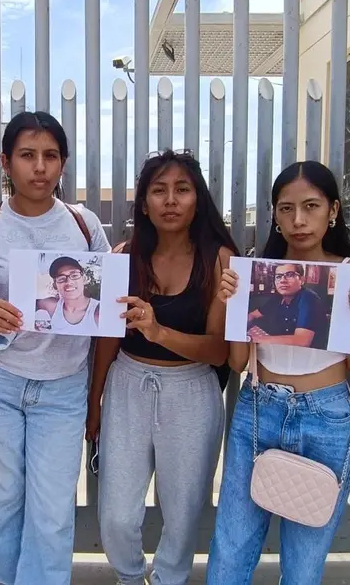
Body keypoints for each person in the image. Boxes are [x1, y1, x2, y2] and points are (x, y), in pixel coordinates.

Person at [0, 110, 111, 585]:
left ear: (63, 164)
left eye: (50, 156)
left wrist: (93, 398)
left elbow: (103, 318)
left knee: (52, 509)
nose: (39, 167)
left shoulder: (85, 227)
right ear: (6, 162)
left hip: (64, 387)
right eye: (27, 155)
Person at [206, 161, 350, 584]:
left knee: (304, 562)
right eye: (286, 209)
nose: (298, 220)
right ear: (275, 215)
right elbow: (237, 362)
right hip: (258, 410)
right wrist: (231, 305)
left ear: (333, 210)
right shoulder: (257, 272)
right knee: (231, 546)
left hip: (326, 415)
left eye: (311, 206)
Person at [87, 149, 237, 585]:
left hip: (192, 391)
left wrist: (160, 332)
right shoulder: (123, 255)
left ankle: (169, 578)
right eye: (159, 190)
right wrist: (95, 402)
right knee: (116, 512)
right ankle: (130, 577)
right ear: (145, 202)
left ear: (198, 199)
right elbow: (108, 339)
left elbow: (219, 352)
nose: (170, 200)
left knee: (184, 508)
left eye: (182, 189)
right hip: (128, 384)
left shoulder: (220, 259)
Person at [246, 262, 330, 348]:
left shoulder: (309, 299)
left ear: (302, 280)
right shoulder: (277, 298)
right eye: (278, 276)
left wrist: (250, 339)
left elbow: (301, 341)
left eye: (290, 275)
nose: (282, 280)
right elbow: (253, 314)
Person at [35, 255, 100, 334]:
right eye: (61, 278)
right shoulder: (51, 306)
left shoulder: (98, 311)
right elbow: (27, 305)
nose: (69, 282)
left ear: (84, 279)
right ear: (55, 285)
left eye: (74, 275)